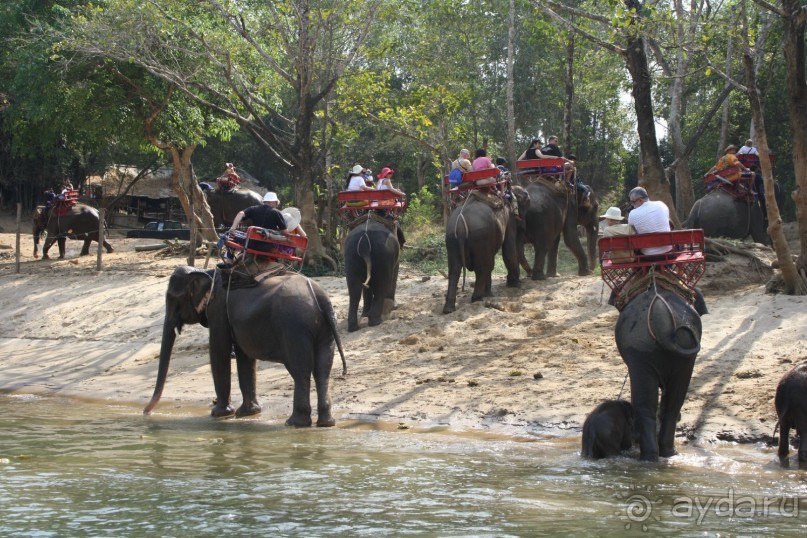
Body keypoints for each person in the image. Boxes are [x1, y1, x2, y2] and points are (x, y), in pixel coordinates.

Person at [627, 187, 671, 256]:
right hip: (668, 253)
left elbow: (631, 230)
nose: (632, 205)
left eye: (633, 202)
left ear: (640, 200)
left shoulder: (632, 214)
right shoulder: (661, 204)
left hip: (647, 255)